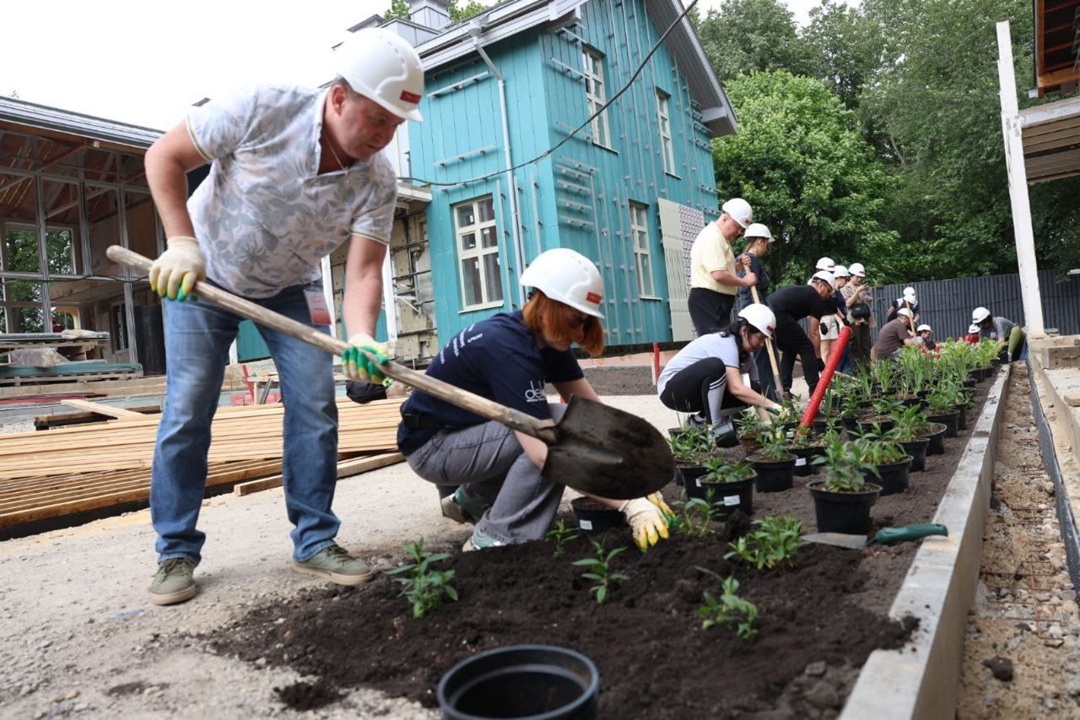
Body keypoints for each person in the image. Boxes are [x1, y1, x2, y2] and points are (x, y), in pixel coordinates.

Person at [141, 28, 424, 606]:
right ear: (341, 97)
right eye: (378, 119)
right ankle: (175, 551)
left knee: (316, 404)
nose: (384, 136)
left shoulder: (377, 179)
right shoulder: (263, 107)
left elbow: (365, 268)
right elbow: (164, 156)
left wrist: (363, 335)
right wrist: (179, 241)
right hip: (202, 274)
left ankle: (315, 540)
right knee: (189, 406)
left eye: (395, 126)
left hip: (291, 287)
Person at [397, 249, 672, 552]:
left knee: (561, 418)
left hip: (465, 434)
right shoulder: (509, 350)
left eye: (585, 322)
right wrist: (627, 503)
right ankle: (496, 537)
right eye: (574, 320)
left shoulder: (545, 338)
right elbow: (546, 454)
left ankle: (473, 501)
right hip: (433, 448)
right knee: (550, 437)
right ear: (545, 304)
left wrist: (637, 471)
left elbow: (593, 414)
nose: (579, 332)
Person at [657, 304, 783, 445]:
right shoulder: (725, 343)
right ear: (744, 330)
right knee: (715, 367)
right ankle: (714, 429)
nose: (761, 344)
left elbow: (756, 396)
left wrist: (770, 427)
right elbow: (736, 388)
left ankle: (699, 422)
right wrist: (777, 407)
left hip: (697, 392)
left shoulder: (747, 357)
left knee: (753, 388)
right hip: (672, 390)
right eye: (760, 338)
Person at [689, 198, 756, 335]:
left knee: (721, 343)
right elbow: (719, 274)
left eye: (741, 230)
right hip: (709, 299)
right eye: (737, 227)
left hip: (717, 300)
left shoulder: (721, 239)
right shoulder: (713, 237)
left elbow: (723, 270)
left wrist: (738, 266)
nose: (739, 232)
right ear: (725, 218)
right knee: (715, 345)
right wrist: (745, 281)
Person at [767, 271, 836, 398]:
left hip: (767, 312)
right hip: (780, 314)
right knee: (807, 349)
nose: (829, 295)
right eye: (829, 291)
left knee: (789, 350)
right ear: (821, 285)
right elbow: (813, 333)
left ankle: (785, 390)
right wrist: (818, 359)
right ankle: (815, 393)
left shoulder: (802, 291)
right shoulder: (815, 298)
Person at [736, 223, 777, 400]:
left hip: (754, 310)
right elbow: (750, 291)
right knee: (764, 357)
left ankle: (771, 395)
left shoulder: (745, 259)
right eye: (766, 243)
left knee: (763, 356)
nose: (766, 248)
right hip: (755, 313)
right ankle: (770, 398)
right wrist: (760, 315)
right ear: (760, 241)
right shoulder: (750, 260)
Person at [843, 262, 874, 367]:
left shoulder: (861, 287)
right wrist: (857, 291)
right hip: (853, 320)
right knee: (856, 346)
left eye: (861, 277)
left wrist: (867, 298)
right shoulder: (845, 288)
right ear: (851, 275)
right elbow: (848, 304)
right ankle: (857, 371)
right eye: (857, 277)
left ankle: (867, 369)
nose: (859, 280)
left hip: (864, 320)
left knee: (866, 345)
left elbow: (865, 302)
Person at [819, 265, 850, 366]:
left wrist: (842, 320)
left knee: (834, 351)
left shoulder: (831, 289)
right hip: (822, 319)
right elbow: (812, 308)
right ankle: (824, 375)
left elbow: (833, 307)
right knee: (825, 351)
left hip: (832, 319)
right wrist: (821, 322)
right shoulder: (817, 286)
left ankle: (832, 375)